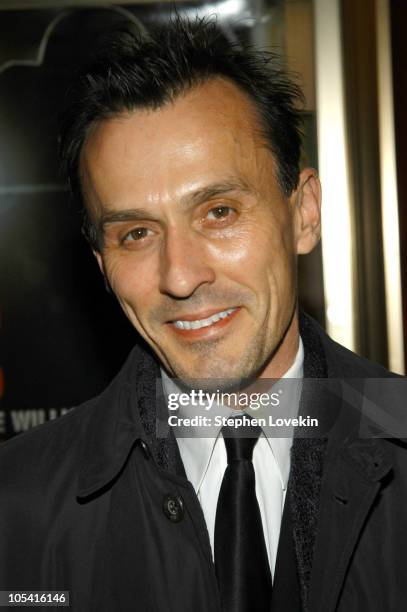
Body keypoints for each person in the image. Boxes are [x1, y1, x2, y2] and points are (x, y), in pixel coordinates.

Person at [0, 16, 406, 612]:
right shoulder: (18, 506)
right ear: (101, 263)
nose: (181, 276)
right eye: (136, 232)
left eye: (219, 212)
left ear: (304, 213)